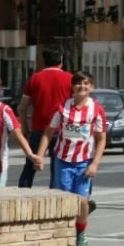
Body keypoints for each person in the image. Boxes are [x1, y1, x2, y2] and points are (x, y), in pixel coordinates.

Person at [35, 71, 107, 246]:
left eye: (86, 83)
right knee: (64, 199)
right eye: (78, 84)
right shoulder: (62, 107)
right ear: (72, 87)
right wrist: (40, 155)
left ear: (91, 87)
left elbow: (101, 138)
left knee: (82, 201)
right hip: (63, 159)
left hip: (84, 161)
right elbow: (49, 132)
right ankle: (62, 233)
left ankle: (81, 230)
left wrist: (95, 164)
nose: (82, 87)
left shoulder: (96, 109)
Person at [17, 45, 73, 188]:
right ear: (61, 60)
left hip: (39, 128)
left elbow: (23, 107)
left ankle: (23, 192)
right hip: (62, 130)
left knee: (30, 164)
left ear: (43, 61)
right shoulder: (70, 79)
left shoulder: (35, 78)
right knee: (57, 166)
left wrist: (24, 127)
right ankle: (54, 194)